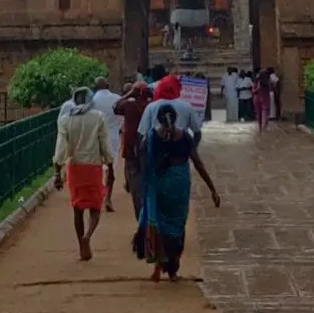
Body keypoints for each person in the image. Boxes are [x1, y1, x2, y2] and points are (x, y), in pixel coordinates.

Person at [134, 99, 221, 279]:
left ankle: (158, 263)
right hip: (179, 189)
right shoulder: (185, 137)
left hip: (159, 188)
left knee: (158, 223)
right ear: (174, 118)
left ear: (159, 119)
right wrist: (212, 189)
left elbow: (140, 157)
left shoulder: (151, 137)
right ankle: (172, 271)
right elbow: (198, 164)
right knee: (177, 228)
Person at [52, 84, 117, 260]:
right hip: (94, 166)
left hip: (75, 168)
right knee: (95, 206)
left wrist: (57, 172)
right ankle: (88, 235)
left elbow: (60, 148)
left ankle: (82, 244)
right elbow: (105, 144)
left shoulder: (65, 120)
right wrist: (110, 166)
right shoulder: (98, 117)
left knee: (77, 208)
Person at [112, 78, 153, 222]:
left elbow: (115, 107)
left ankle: (141, 219)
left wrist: (128, 94)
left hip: (132, 150)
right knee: (150, 186)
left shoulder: (129, 106)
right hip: (149, 150)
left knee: (136, 190)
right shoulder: (151, 106)